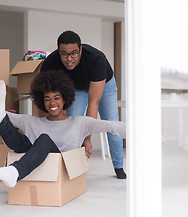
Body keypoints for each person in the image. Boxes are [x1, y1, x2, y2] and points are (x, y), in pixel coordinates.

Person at [0, 70, 126, 188]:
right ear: (41, 101)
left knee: (43, 139)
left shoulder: (80, 123)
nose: (52, 103)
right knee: (10, 125)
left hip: (60, 163)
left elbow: (112, 126)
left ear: (65, 99)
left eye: (56, 98)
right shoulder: (33, 122)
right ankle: (0, 119)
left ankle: (14, 172)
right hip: (30, 152)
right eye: (47, 99)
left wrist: (145, 131)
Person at [41, 30, 126, 179]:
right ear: (58, 52)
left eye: (74, 53)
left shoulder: (96, 59)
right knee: (73, 122)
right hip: (78, 88)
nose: (69, 59)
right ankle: (73, 166)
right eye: (64, 54)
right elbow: (45, 100)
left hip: (104, 85)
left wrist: (87, 138)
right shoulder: (50, 63)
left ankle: (118, 166)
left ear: (80, 49)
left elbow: (94, 102)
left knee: (111, 123)